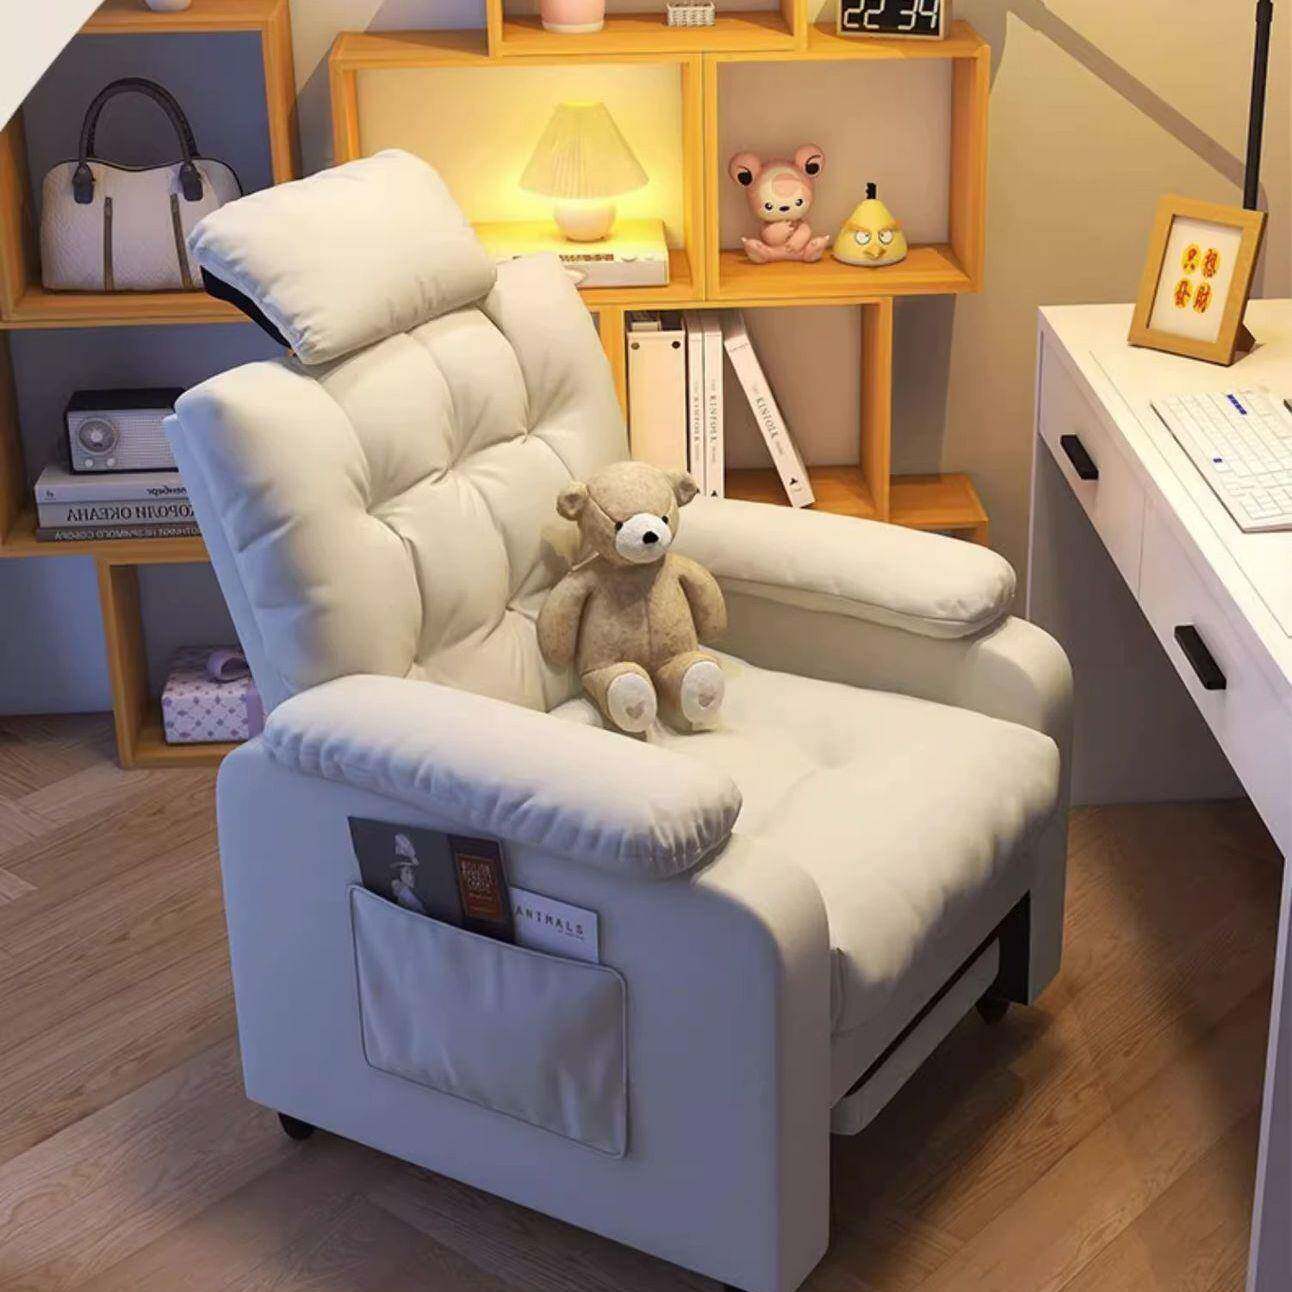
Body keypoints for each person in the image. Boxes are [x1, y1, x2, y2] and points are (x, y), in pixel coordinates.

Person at [389, 832, 427, 914]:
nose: (411, 876)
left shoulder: (420, 894)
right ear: (399, 876)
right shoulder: (406, 896)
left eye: (412, 872)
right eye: (407, 872)